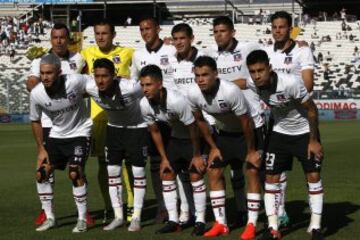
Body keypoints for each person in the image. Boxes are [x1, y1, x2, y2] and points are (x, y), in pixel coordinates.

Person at [247, 49, 324, 240]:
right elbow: (241, 82)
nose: (257, 76)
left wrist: (313, 141)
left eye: (260, 70)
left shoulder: (290, 83)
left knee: (313, 176)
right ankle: (273, 229)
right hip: (279, 134)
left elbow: (312, 110)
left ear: (269, 68)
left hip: (304, 133)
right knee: (271, 178)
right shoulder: (252, 83)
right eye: (253, 72)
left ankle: (315, 227)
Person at [139, 64, 220, 235]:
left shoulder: (176, 100)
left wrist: (197, 155)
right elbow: (154, 131)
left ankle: (199, 220)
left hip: (197, 137)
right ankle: (173, 220)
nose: (144, 89)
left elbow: (194, 127)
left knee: (195, 174)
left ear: (159, 84)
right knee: (166, 173)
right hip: (176, 139)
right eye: (142, 85)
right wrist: (164, 158)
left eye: (148, 85)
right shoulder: (144, 104)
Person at [187, 56, 261, 238]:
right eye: (197, 75)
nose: (200, 79)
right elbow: (200, 121)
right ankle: (221, 224)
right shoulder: (193, 93)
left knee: (252, 171)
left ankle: (251, 224)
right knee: (214, 171)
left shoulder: (230, 91)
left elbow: (246, 122)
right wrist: (213, 147)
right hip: (225, 133)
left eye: (205, 75)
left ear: (216, 74)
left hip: (250, 130)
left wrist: (251, 151)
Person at [131, 16, 195, 223]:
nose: (145, 33)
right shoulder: (137, 55)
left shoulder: (171, 50)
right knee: (157, 163)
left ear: (157, 29)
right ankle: (163, 207)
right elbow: (135, 83)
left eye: (148, 28)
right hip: (153, 114)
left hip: (174, 112)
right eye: (141, 29)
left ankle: (188, 208)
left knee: (181, 163)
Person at [26, 23, 88, 227]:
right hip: (47, 121)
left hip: (74, 122)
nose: (59, 41)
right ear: (50, 39)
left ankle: (83, 214)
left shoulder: (78, 59)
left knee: (76, 168)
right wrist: (49, 94)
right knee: (44, 169)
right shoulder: (40, 61)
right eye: (55, 37)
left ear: (69, 39)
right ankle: (47, 213)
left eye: (63, 37)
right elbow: (32, 83)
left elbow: (86, 85)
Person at [207, 16, 265, 235]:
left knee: (257, 172)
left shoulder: (250, 47)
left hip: (250, 120)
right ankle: (227, 219)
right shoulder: (210, 54)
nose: (219, 35)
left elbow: (266, 63)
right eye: (216, 31)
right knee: (222, 172)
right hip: (226, 124)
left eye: (223, 31)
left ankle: (264, 216)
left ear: (232, 31)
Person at [264, 10, 316, 228]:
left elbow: (308, 84)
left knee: (311, 172)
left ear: (290, 28)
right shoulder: (266, 52)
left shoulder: (302, 51)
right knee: (276, 171)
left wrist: (285, 91)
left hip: (301, 117)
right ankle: (281, 211)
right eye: (274, 27)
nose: (278, 31)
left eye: (282, 27)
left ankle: (315, 214)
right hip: (275, 119)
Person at [81, 19, 135, 223]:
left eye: (104, 33)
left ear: (113, 35)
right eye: (97, 33)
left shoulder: (128, 53)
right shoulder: (86, 54)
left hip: (124, 119)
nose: (101, 37)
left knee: (127, 165)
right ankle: (109, 207)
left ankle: (130, 206)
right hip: (98, 120)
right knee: (105, 167)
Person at [85, 58, 147, 231]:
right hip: (114, 130)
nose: (100, 80)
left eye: (105, 76)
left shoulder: (131, 87)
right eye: (97, 76)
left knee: (138, 172)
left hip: (137, 128)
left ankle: (136, 217)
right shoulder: (90, 87)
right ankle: (118, 216)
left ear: (114, 75)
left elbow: (150, 92)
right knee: (112, 172)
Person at [170, 23, 216, 235]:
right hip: (181, 128)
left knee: (203, 172)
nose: (179, 42)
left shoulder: (204, 58)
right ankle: (185, 214)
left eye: (182, 38)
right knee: (183, 172)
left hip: (204, 125)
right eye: (175, 38)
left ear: (191, 38)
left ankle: (203, 218)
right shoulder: (172, 61)